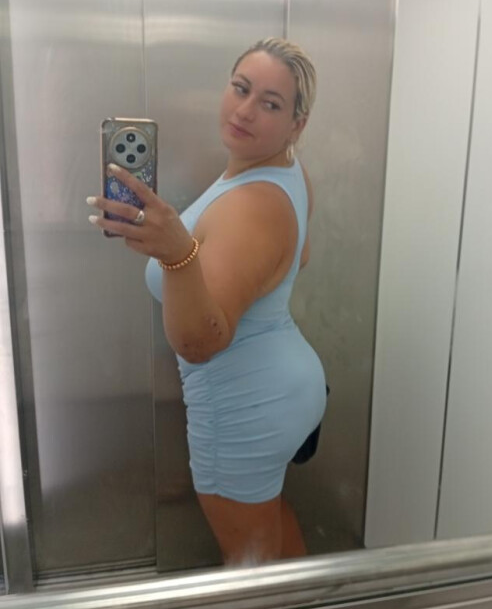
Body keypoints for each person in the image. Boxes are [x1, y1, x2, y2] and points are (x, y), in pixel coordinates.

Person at [87, 37, 326, 565]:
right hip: (283, 387)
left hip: (241, 410)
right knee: (269, 527)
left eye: (270, 104)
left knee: (248, 564)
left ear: (297, 124)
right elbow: (299, 255)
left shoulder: (251, 204)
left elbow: (201, 344)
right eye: (241, 88)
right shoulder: (286, 172)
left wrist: (179, 256)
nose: (245, 110)